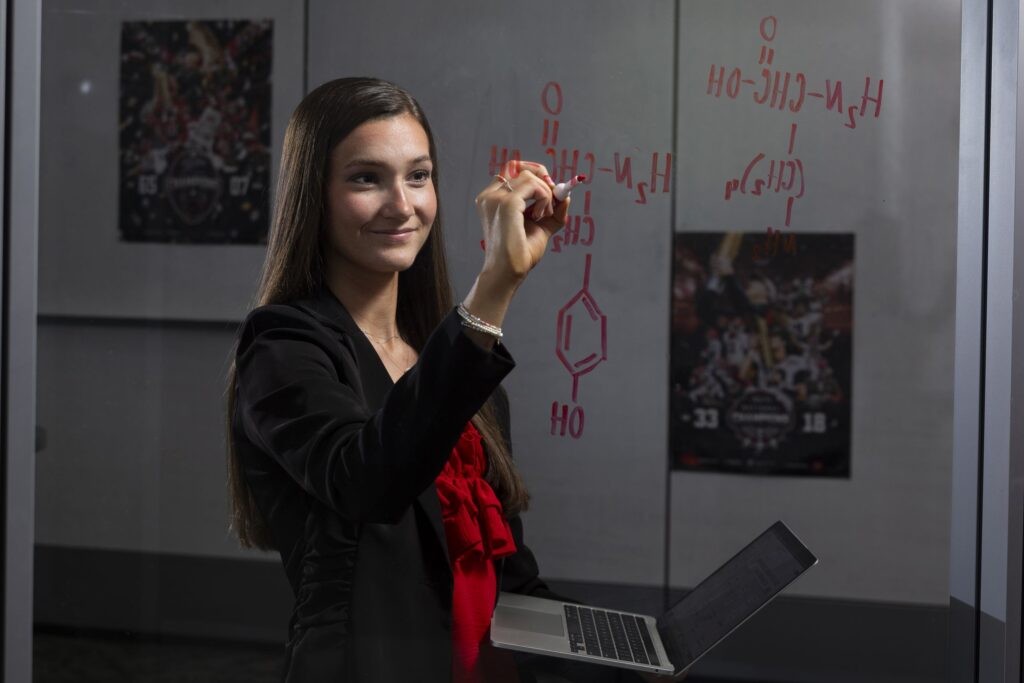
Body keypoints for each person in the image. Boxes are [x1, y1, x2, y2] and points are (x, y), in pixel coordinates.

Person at [225, 76, 578, 683]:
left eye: (419, 176)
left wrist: (619, 660)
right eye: (367, 178)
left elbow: (510, 578)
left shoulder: (454, 358)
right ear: (316, 195)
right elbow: (370, 480)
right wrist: (494, 288)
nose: (403, 204)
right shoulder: (282, 345)